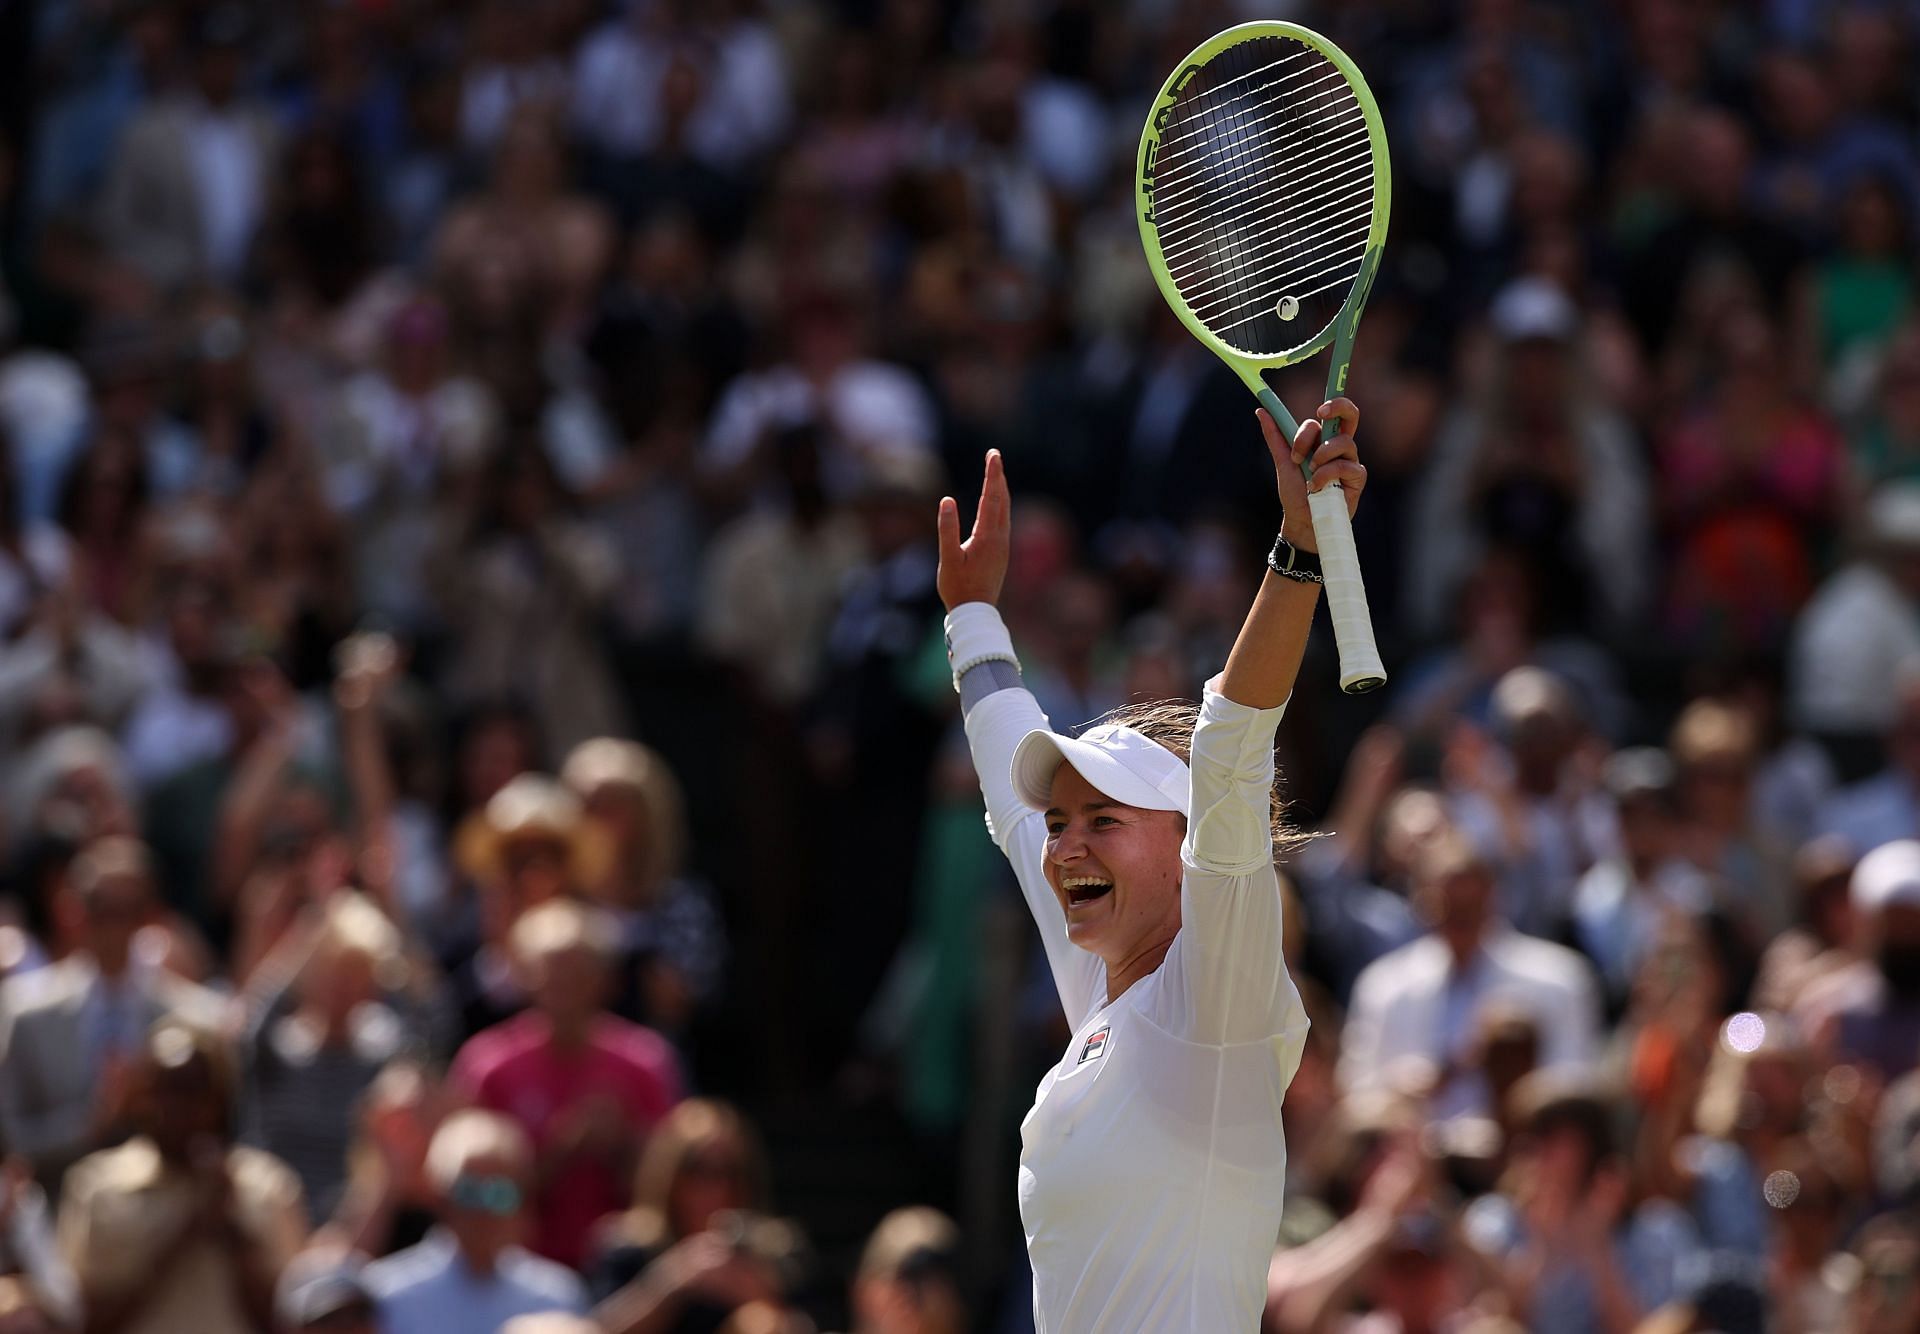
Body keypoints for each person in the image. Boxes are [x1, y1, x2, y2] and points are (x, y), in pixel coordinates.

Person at [936, 400, 1365, 1331]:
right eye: (1064, 822)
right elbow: (1015, 815)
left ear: (1187, 846)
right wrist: (972, 618)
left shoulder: (1216, 1004)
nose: (1066, 846)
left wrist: (1296, 553)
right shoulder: (1101, 991)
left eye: (1103, 819)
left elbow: (1230, 757)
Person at [0, 836, 227, 1188]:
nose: (113, 926)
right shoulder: (26, 1014)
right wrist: (91, 1123)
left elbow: (219, 1137)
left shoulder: (196, 1016)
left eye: (128, 910)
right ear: (73, 910)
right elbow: (12, 1142)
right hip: (57, 1214)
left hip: (163, 1218)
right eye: (100, 908)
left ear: (149, 915)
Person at [55, 1020, 309, 1334]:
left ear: (217, 1101)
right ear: (139, 1097)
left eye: (190, 1092)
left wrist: (232, 1228)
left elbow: (288, 1320)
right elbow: (84, 1321)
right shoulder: (98, 1186)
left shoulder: (266, 1186)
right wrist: (182, 1234)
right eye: (161, 1091)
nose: (173, 1109)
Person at [1339, 834, 1601, 1120]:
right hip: (1415, 1153)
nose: (1461, 920)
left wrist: (1513, 1082)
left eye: (1472, 906)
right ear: (1421, 902)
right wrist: (1397, 1094)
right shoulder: (1383, 987)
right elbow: (1356, 1095)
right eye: (1449, 907)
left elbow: (1576, 1087)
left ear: (1494, 898)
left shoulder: (1559, 980)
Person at [362, 1109, 588, 1333]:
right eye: (469, 1191)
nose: (484, 1210)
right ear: (440, 1195)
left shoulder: (556, 1297)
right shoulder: (388, 1295)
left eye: (500, 1194)